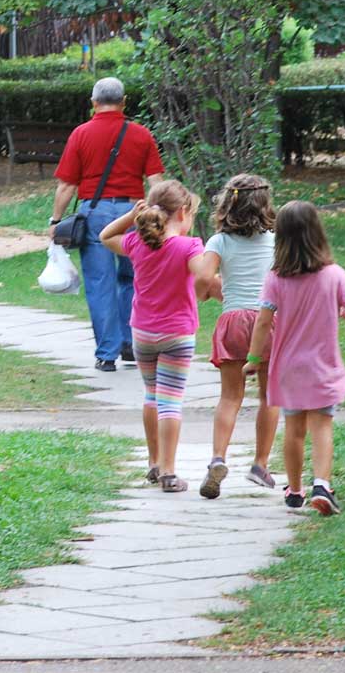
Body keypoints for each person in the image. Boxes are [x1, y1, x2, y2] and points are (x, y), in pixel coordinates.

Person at [250, 201, 345, 516]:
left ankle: (294, 490)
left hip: (289, 369)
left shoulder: (276, 278)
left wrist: (253, 358)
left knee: (294, 429)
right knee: (322, 426)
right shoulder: (334, 274)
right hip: (322, 367)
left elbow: (263, 321)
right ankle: (322, 485)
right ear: (317, 233)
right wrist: (343, 312)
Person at [49, 76, 165, 372]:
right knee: (133, 278)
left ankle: (107, 353)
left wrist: (56, 220)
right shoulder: (141, 134)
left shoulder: (81, 134)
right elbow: (156, 181)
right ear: (124, 102)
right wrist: (159, 215)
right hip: (135, 212)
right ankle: (130, 345)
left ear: (93, 103)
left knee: (100, 282)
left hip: (95, 213)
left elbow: (66, 185)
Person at [99, 181, 206, 493]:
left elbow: (105, 236)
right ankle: (169, 473)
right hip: (177, 333)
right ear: (183, 212)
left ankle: (154, 462)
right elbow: (203, 273)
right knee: (170, 400)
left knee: (151, 395)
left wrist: (131, 216)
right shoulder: (189, 247)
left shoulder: (136, 243)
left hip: (143, 332)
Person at [195, 174, 280, 499]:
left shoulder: (219, 242)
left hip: (233, 320)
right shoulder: (276, 241)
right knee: (269, 396)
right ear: (265, 204)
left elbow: (204, 277)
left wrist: (204, 293)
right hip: (268, 321)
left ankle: (218, 458)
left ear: (227, 204)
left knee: (230, 397)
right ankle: (260, 464)